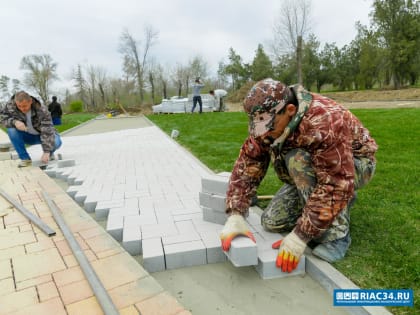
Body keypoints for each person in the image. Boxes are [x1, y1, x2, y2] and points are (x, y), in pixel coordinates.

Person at [220, 78, 377, 273]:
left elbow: (336, 182)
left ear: (290, 110)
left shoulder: (325, 120)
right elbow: (249, 164)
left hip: (354, 166)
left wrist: (300, 236)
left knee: (298, 159)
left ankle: (337, 235)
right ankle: (335, 204)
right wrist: (235, 214)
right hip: (316, 169)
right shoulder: (266, 118)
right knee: (271, 221)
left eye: (266, 124)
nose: (260, 133)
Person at [0, 91, 62, 168]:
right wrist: (14, 122)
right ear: (16, 103)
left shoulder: (41, 109)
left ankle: (49, 153)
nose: (22, 109)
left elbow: (47, 130)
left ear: (31, 101)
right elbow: (2, 119)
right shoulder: (10, 106)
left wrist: (46, 151)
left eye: (25, 106)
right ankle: (25, 159)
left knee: (56, 142)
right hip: (27, 136)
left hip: (42, 135)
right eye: (19, 106)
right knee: (11, 130)